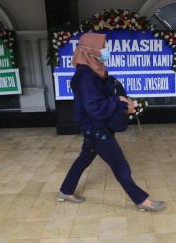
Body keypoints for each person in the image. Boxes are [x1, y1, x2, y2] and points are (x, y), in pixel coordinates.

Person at [57, 32, 166, 212]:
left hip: (92, 126)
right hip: (95, 127)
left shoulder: (93, 71)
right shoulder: (85, 76)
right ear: (90, 51)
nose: (106, 52)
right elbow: (94, 106)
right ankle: (142, 200)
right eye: (103, 48)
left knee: (84, 158)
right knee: (120, 165)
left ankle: (65, 190)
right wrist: (119, 101)